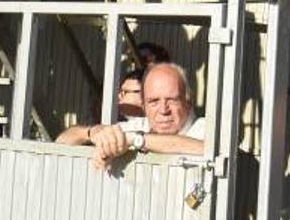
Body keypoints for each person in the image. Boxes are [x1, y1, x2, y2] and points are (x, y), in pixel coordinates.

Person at [63, 62, 207, 169]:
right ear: (143, 106)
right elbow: (60, 143)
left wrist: (135, 140)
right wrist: (92, 133)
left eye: (172, 100)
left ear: (188, 102)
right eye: (154, 102)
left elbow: (206, 149)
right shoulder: (139, 126)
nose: (163, 110)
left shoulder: (205, 128)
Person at [55, 67, 145, 145]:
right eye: (120, 91)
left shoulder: (153, 127)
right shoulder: (118, 123)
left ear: (144, 94)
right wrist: (90, 133)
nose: (118, 96)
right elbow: (60, 141)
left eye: (125, 92)